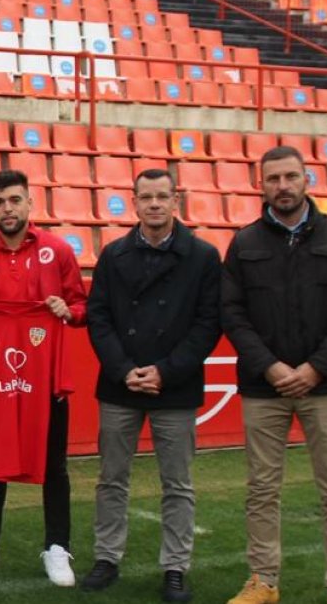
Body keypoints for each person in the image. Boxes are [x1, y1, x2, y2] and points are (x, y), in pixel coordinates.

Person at [222, 146, 327, 604]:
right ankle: (263, 581)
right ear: (260, 184)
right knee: (262, 489)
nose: (282, 186)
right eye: (273, 179)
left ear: (307, 179)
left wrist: (314, 368)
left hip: (326, 383)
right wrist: (272, 366)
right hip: (264, 386)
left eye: (290, 177)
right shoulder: (244, 243)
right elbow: (232, 313)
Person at [80, 169, 221, 602]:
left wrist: (165, 370)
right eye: (147, 197)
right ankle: (107, 557)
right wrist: (124, 369)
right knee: (111, 478)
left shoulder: (203, 255)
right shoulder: (114, 254)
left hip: (174, 386)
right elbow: (98, 318)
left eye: (162, 196)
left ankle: (175, 566)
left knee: (177, 483)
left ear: (175, 200)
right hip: (120, 384)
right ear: (135, 202)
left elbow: (208, 323)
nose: (155, 204)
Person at [0, 169, 86, 586]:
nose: (7, 209)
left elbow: (82, 306)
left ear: (29, 202)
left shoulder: (58, 251)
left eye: (14, 200)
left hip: (45, 379)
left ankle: (58, 547)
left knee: (54, 464)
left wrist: (68, 311)